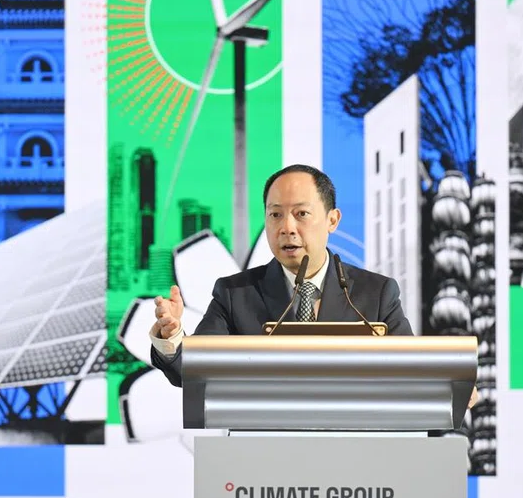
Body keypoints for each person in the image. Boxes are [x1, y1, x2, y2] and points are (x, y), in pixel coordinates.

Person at [147, 163, 478, 409]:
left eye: (301, 214)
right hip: (260, 462)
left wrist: (448, 388)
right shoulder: (235, 294)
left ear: (332, 220)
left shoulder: (376, 294)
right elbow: (194, 372)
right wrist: (171, 337)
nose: (287, 228)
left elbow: (410, 371)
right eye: (275, 215)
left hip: (353, 460)